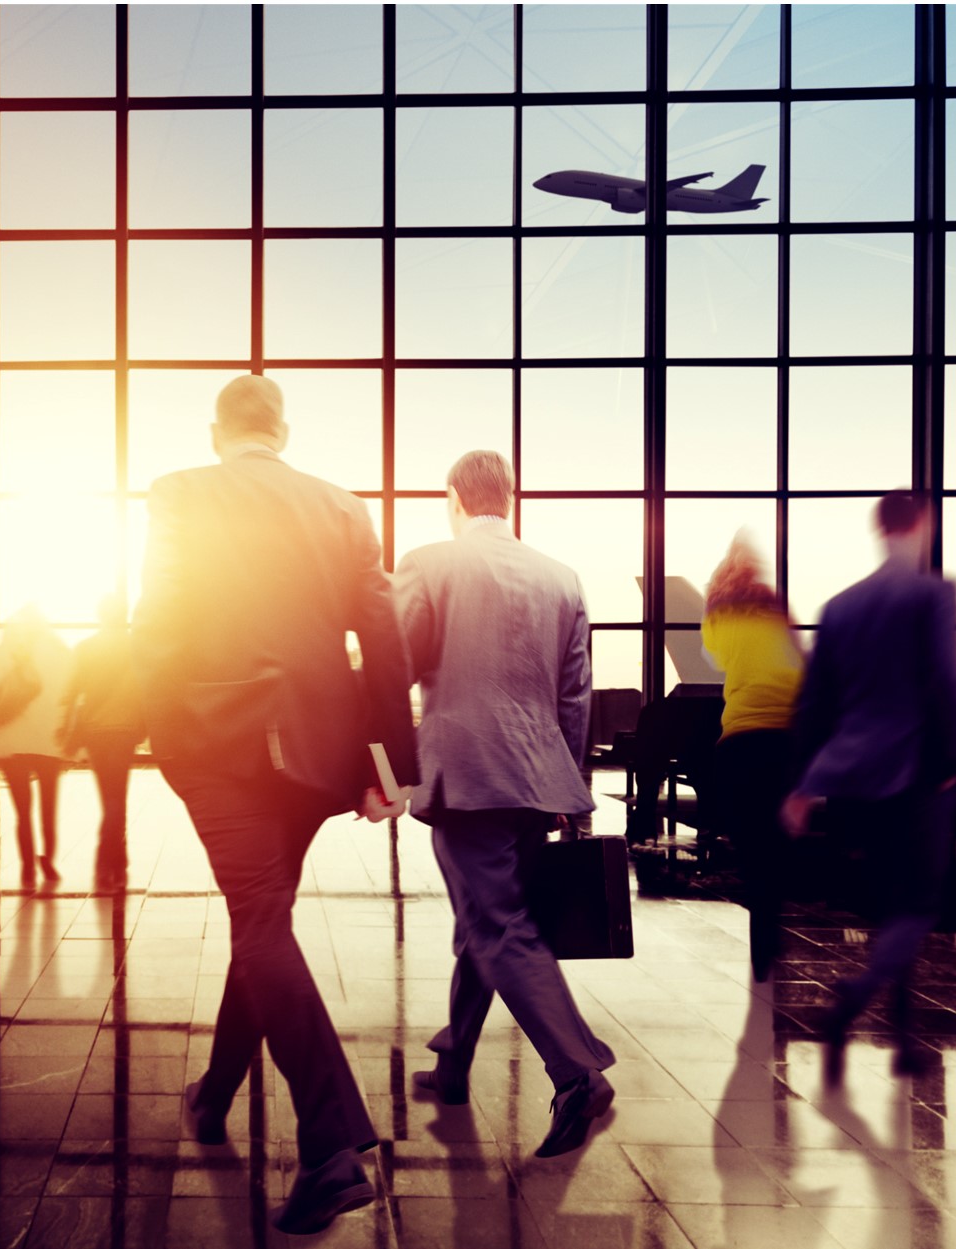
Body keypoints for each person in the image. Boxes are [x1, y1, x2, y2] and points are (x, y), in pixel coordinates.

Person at [134, 374, 418, 1236]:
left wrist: (156, 721)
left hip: (218, 743)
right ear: (282, 431)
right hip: (318, 753)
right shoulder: (339, 506)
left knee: (259, 920)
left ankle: (331, 1144)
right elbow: (382, 633)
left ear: (217, 427)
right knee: (264, 919)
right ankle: (214, 1093)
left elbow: (160, 613)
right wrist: (389, 763)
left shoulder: (181, 491)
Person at [393, 450, 617, 1158]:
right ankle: (454, 1062)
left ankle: (577, 1073)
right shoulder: (561, 577)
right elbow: (574, 694)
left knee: (497, 923)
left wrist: (377, 760)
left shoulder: (429, 562)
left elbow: (396, 664)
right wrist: (569, 790)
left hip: (467, 775)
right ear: (508, 498)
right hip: (538, 776)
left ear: (453, 496)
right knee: (484, 919)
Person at [782, 491, 956, 1086]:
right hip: (916, 775)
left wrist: (805, 783)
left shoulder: (840, 606)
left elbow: (815, 704)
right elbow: (941, 684)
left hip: (853, 778)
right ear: (922, 526)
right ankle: (851, 1001)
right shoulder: (932, 595)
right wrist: (949, 762)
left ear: (878, 528)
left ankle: (905, 1040)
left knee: (891, 907)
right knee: (919, 906)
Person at [701, 534, 804, 983]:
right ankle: (771, 929)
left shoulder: (718, 610)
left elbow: (717, 661)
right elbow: (797, 659)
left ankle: (762, 931)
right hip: (785, 735)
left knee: (752, 845)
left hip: (741, 735)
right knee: (778, 843)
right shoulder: (775, 607)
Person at [58, 593, 147, 894]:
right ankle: (114, 864)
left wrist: (66, 730)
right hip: (124, 729)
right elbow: (148, 689)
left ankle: (112, 864)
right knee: (117, 797)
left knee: (109, 797)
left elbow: (70, 692)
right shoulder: (138, 647)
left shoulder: (85, 648)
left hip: (95, 730)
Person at [0, 604, 73, 892]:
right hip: (48, 741)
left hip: (13, 743)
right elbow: (68, 695)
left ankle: (26, 866)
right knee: (49, 807)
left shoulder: (8, 648)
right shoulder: (59, 650)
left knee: (23, 812)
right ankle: (47, 860)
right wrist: (68, 738)